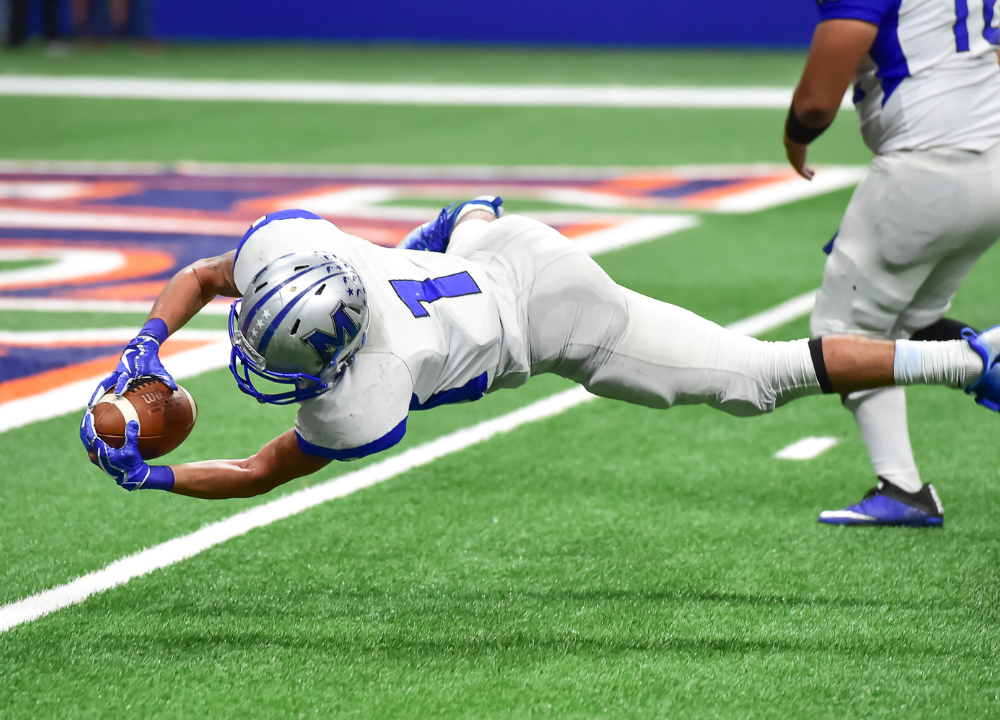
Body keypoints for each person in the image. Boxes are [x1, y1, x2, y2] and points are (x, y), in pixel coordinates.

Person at [80, 200, 1000, 511]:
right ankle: (464, 214)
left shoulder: (367, 392)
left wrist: (152, 482)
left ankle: (972, 363)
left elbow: (255, 466)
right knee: (450, 236)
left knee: (759, 379)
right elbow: (204, 280)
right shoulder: (301, 254)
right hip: (492, 250)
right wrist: (144, 344)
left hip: (558, 317)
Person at [785, 0, 1000, 526]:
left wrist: (797, 132)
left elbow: (816, 98)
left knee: (841, 333)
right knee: (906, 323)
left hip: (929, 166)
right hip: (992, 158)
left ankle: (903, 487)